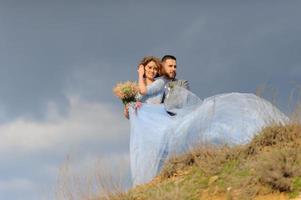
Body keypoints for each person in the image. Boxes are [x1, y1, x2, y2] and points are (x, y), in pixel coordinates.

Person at [126, 55, 289, 187]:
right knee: (155, 155)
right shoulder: (156, 82)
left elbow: (180, 101)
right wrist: (130, 107)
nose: (174, 69)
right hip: (160, 124)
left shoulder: (180, 83)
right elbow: (140, 99)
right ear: (163, 66)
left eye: (175, 66)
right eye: (170, 66)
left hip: (174, 120)